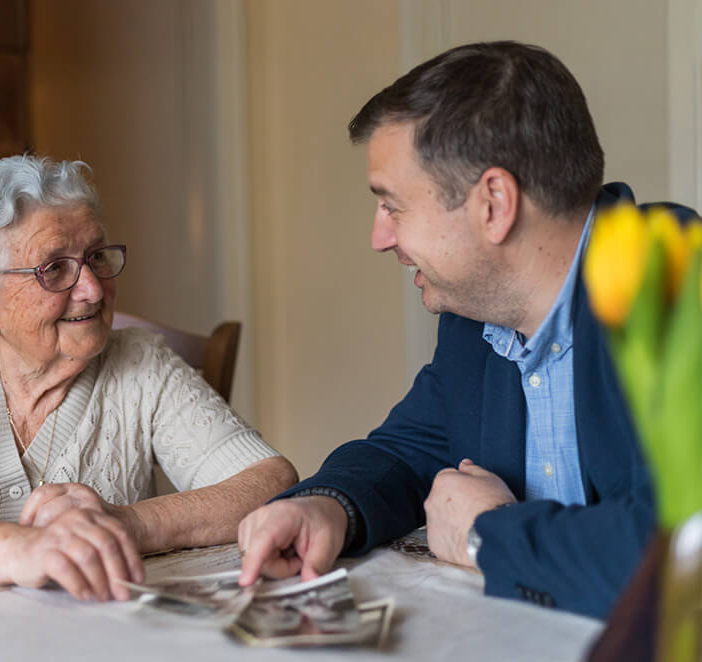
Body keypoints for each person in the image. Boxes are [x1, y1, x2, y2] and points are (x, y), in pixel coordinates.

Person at [237, 41, 699, 619]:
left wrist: (488, 534)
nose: (379, 237)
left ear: (493, 204)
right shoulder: (477, 315)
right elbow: (410, 449)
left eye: (393, 205)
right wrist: (325, 507)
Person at [0, 155, 297, 602]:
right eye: (54, 268)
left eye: (96, 256)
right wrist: (24, 550)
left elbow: (271, 481)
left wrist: (127, 523)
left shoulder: (142, 364)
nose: (91, 288)